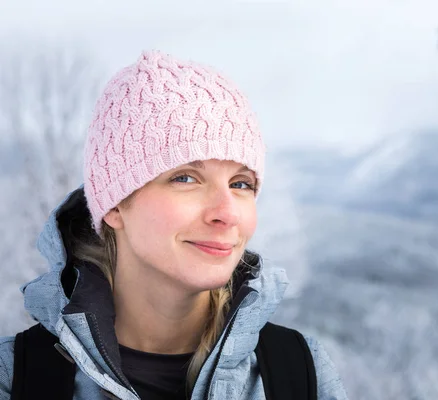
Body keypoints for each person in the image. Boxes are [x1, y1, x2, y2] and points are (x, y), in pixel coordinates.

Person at [0, 50, 347, 400]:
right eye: (186, 178)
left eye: (241, 184)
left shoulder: (299, 374)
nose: (226, 213)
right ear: (115, 205)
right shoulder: (16, 378)